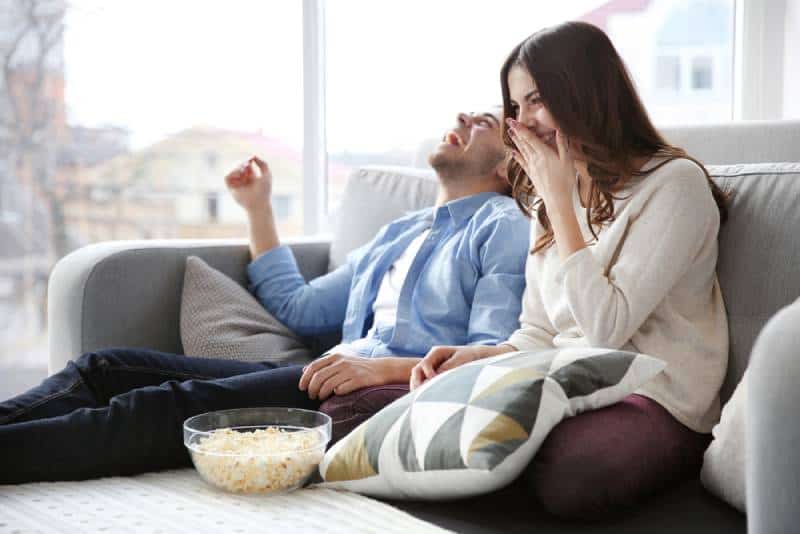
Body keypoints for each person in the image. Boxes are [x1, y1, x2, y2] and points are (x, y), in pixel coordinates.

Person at [0, 108, 530, 485]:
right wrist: (258, 209)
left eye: (483, 123)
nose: (463, 117)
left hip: (365, 395)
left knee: (162, 406)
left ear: (508, 169)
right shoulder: (399, 233)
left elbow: (489, 356)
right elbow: (300, 309)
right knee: (104, 367)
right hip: (334, 371)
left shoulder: (503, 226)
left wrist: (384, 370)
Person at [411, 22, 729, 520]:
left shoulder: (674, 185)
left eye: (536, 100)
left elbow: (606, 331)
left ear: (586, 93)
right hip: (569, 384)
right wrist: (476, 357)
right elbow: (539, 332)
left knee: (568, 471)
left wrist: (559, 201)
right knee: (387, 409)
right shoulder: (548, 199)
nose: (523, 122)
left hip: (658, 400)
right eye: (515, 108)